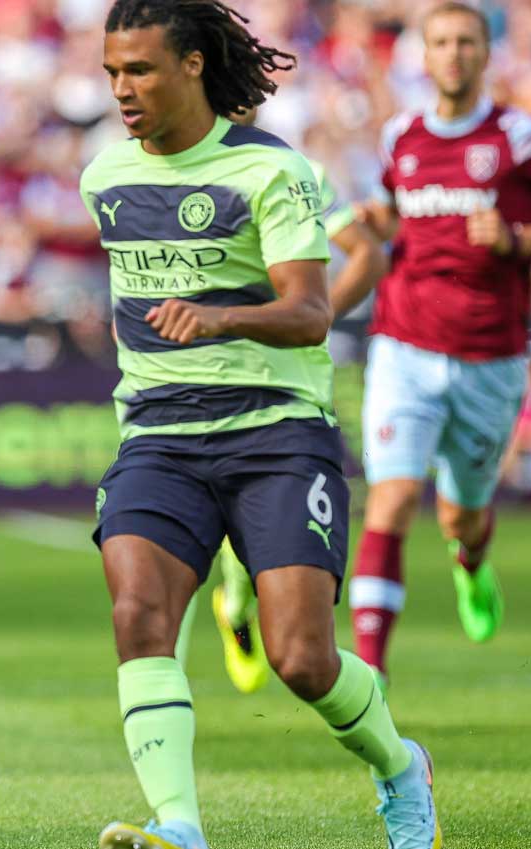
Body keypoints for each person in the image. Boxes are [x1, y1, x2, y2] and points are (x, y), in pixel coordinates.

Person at [79, 1, 439, 849]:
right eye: (113, 73)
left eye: (142, 71)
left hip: (275, 433)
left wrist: (219, 316)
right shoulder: (105, 177)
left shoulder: (269, 169)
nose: (123, 89)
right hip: (158, 435)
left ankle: (401, 769)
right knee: (137, 615)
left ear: (195, 65)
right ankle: (183, 833)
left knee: (302, 660)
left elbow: (312, 311)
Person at [347, 2, 531, 684]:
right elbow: (399, 213)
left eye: (466, 42)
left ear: (487, 55)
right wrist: (378, 218)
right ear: (423, 58)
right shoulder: (401, 135)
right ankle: (371, 676)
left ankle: (472, 564)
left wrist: (513, 240)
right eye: (441, 43)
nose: (453, 54)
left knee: (461, 517)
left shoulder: (517, 138)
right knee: (390, 500)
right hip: (405, 345)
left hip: (491, 356)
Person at [186, 105, 390, 695]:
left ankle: (238, 605)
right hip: (203, 392)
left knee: (291, 573)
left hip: (287, 394)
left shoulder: (293, 171)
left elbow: (368, 255)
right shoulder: (165, 176)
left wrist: (313, 316)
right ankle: (233, 612)